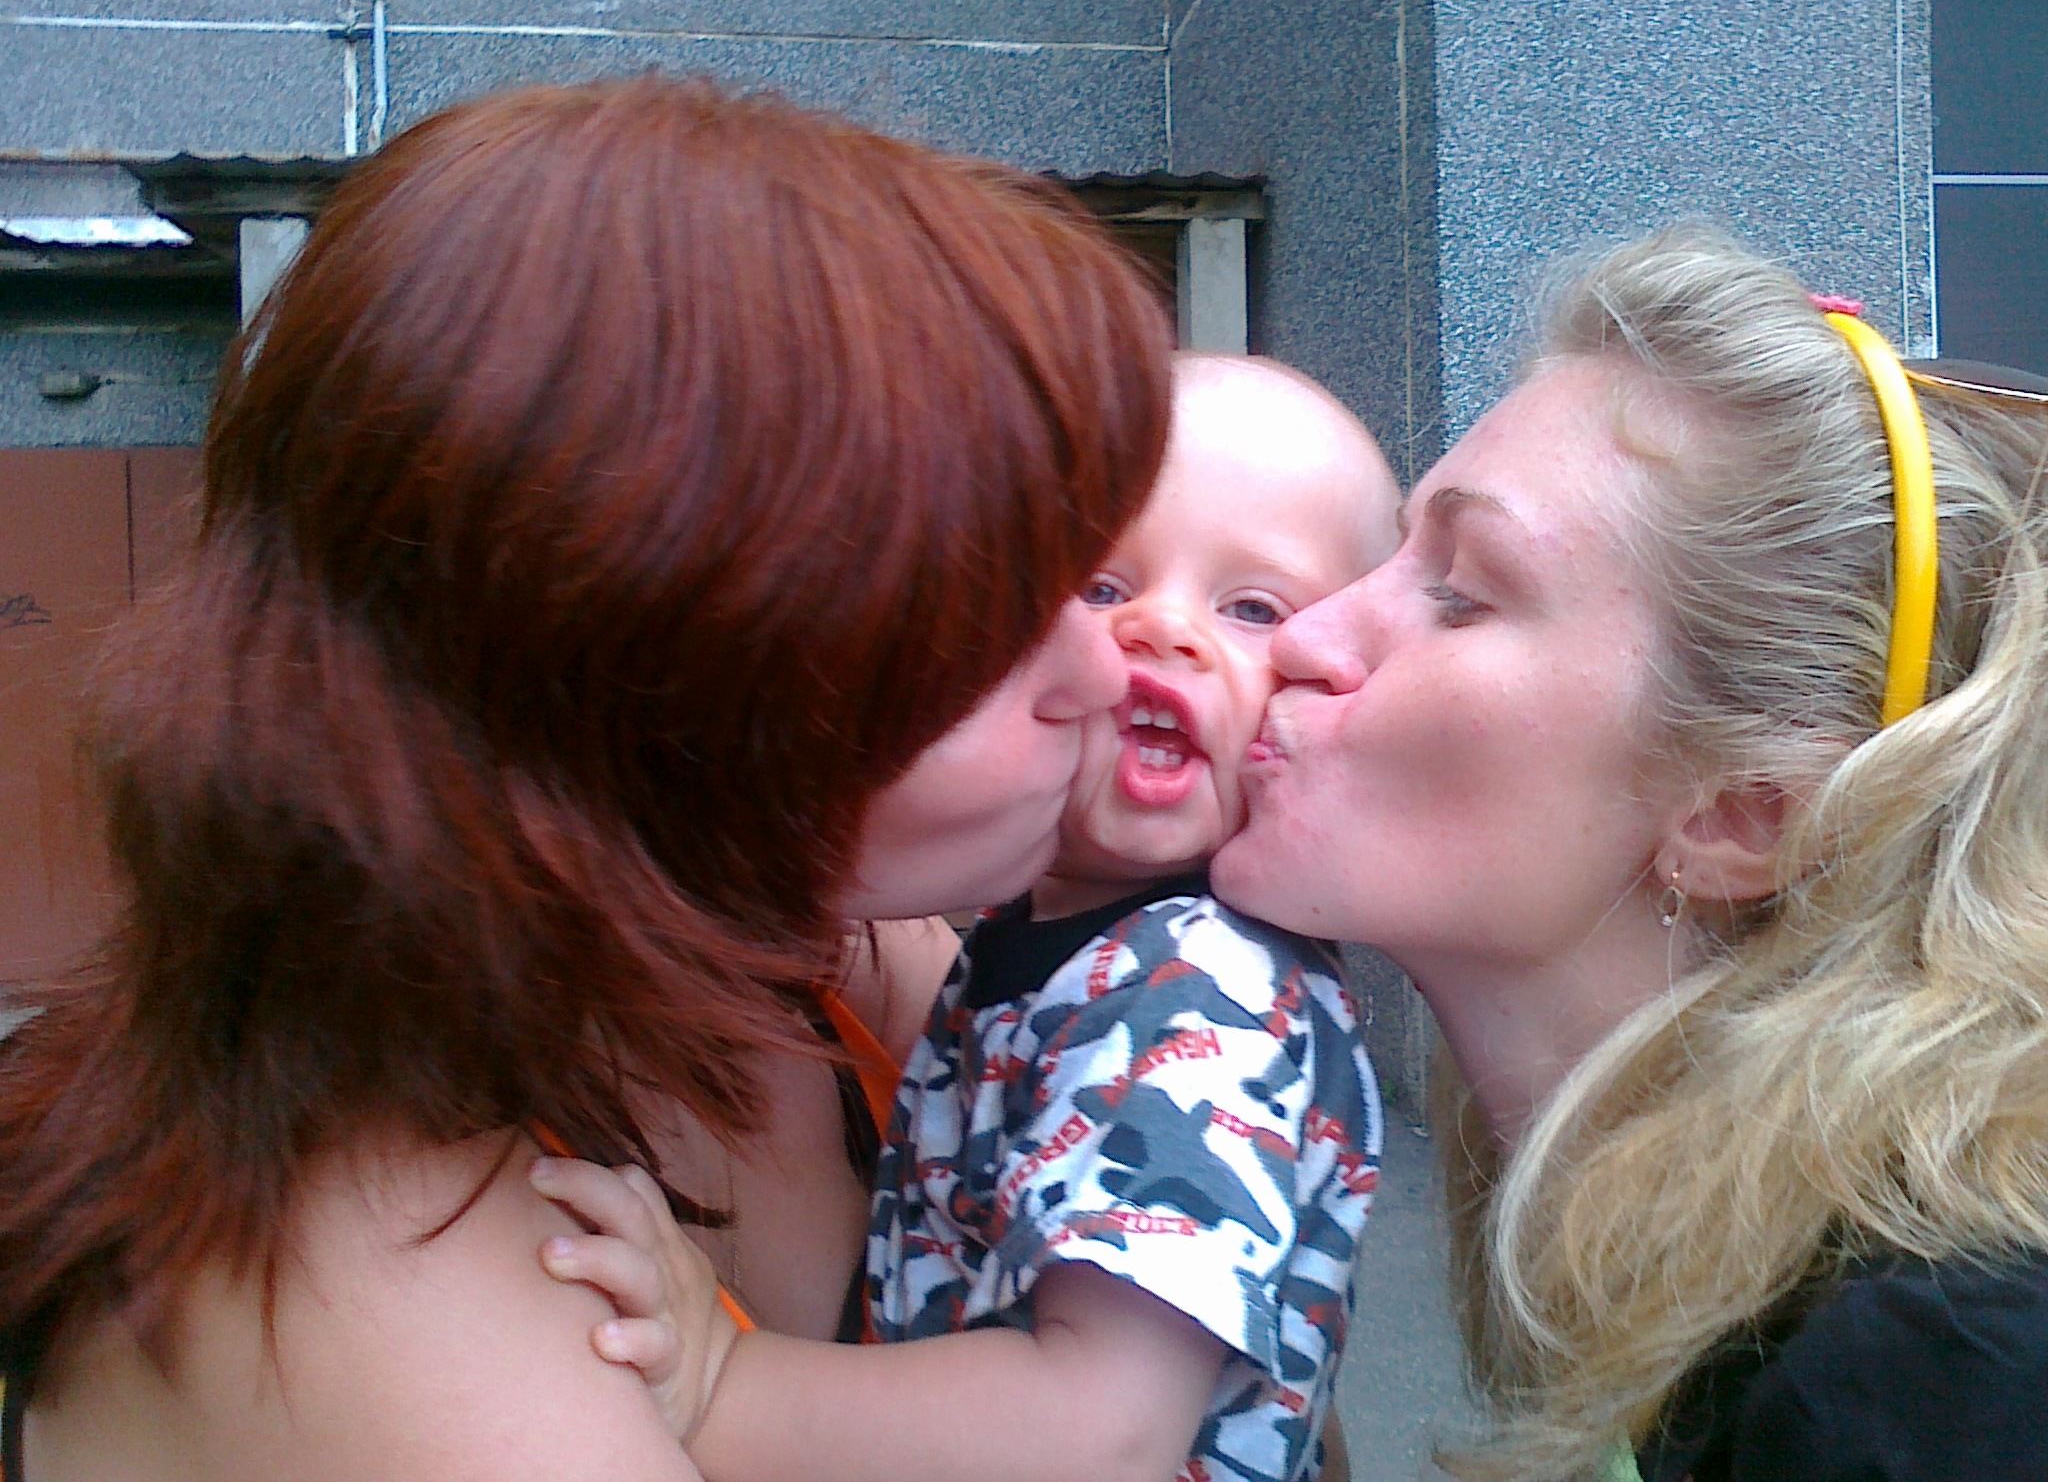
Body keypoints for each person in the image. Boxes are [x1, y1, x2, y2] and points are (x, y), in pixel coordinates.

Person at [0, 75, 1174, 1482]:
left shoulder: (819, 964)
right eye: (978, 613)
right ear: (640, 667)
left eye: (1083, 570)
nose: (1104, 669)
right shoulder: (387, 1310)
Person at [1211, 226, 2048, 1480]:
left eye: (1460, 593)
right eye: (1389, 556)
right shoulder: (1756, 1299)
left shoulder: (1936, 1383)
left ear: (1739, 815)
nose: (1303, 637)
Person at [535, 352, 1400, 1482]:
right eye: (1099, 587)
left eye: (1251, 609)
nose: (1160, 628)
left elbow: (1101, 1433)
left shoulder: (1199, 999)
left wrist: (723, 1384)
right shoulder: (1053, 940)